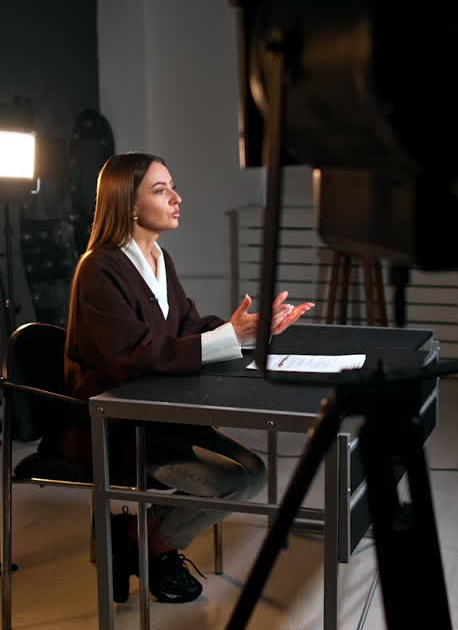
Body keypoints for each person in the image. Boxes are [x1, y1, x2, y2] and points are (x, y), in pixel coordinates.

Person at [61, 152, 314, 604]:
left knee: (253, 474)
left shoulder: (159, 258)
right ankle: (155, 550)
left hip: (161, 420)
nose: (177, 198)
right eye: (161, 190)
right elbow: (132, 357)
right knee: (234, 480)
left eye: (172, 186)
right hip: (117, 429)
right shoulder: (99, 269)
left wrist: (248, 330)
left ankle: (138, 535)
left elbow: (186, 330)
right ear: (129, 205)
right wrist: (227, 336)